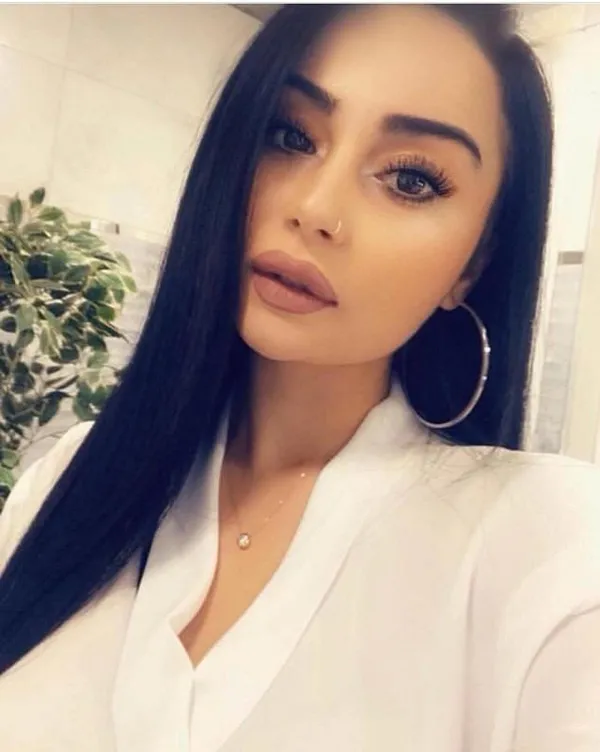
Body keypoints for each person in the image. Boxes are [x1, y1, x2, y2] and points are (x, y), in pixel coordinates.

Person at [1, 3, 600, 750]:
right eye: (290, 135)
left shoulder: (548, 548)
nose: (317, 209)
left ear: (473, 265)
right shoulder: (65, 481)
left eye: (411, 179)